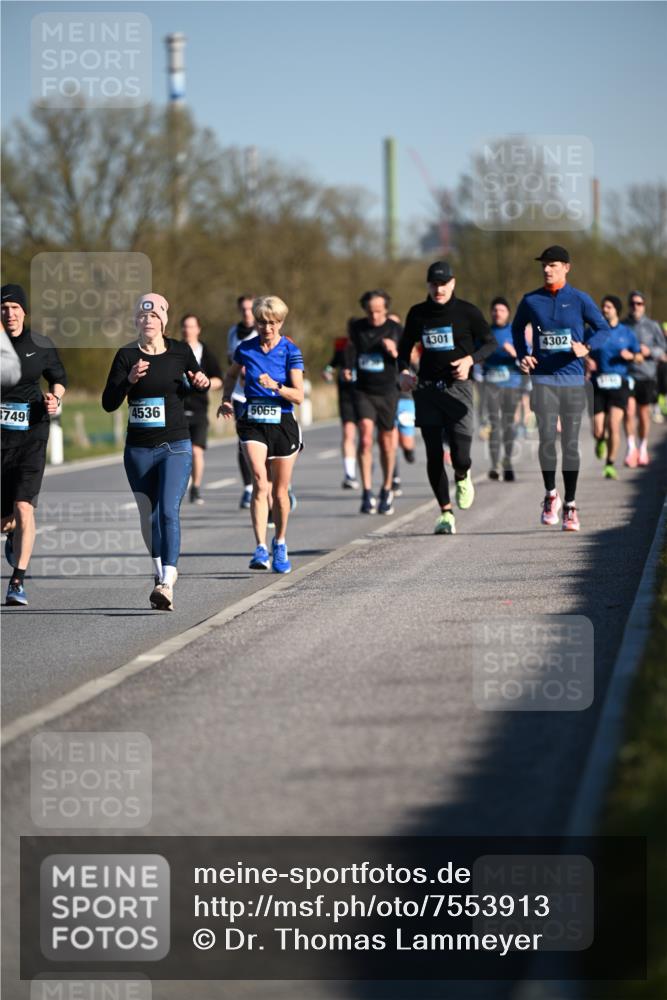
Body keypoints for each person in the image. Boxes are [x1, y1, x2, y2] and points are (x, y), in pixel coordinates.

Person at [102, 293, 210, 611]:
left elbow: (195, 382)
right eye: (142, 315)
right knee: (149, 516)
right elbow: (108, 403)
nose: (148, 320)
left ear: (163, 320)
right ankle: (158, 571)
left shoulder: (180, 351)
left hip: (175, 444)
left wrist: (201, 381)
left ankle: (167, 582)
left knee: (167, 512)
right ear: (136, 320)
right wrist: (129, 380)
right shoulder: (125, 355)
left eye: (154, 315)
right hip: (138, 449)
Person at [512, 246, 610, 532]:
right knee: (545, 439)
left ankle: (570, 505)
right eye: (543, 265)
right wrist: (523, 355)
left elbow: (603, 329)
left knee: (569, 443)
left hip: (570, 380)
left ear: (566, 267)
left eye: (553, 265)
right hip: (542, 378)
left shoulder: (579, 300)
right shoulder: (531, 300)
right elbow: (518, 329)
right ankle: (550, 494)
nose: (546, 269)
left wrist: (587, 347)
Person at [397, 261, 496, 535]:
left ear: (452, 283)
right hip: (427, 388)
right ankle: (445, 513)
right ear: (428, 285)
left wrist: (470, 360)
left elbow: (490, 343)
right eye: (433, 284)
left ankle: (463, 476)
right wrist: (403, 372)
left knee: (461, 454)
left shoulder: (467, 312)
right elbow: (403, 349)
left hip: (459, 388)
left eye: (443, 284)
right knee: (433, 454)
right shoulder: (418, 313)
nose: (439, 289)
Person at [218, 296, 304, 574]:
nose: (266, 327)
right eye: (262, 322)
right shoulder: (246, 349)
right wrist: (227, 399)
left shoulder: (291, 350)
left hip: (282, 421)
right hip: (253, 420)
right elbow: (231, 375)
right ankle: (260, 547)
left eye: (272, 322)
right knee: (259, 480)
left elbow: (299, 396)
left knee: (279, 492)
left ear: (280, 323)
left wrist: (276, 386)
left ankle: (279, 542)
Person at [1, 283, 67, 606]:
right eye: (4, 308)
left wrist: (54, 397)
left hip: (32, 434)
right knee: (7, 516)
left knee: (25, 506)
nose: (9, 314)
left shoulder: (39, 344)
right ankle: (11, 529)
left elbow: (59, 377)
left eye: (15, 308)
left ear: (24, 312)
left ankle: (17, 580)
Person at [343, 290, 402, 515]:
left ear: (386, 309)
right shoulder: (358, 328)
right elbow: (350, 350)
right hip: (364, 391)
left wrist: (394, 351)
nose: (374, 316)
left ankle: (386, 489)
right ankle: (367, 492)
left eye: (378, 311)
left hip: (388, 391)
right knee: (366, 437)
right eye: (370, 312)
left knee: (387, 442)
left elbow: (406, 357)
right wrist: (348, 368)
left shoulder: (396, 329)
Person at [589, 295, 642, 479]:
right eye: (603, 306)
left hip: (620, 384)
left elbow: (640, 356)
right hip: (598, 383)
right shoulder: (594, 331)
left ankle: (610, 464)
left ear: (616, 310)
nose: (605, 309)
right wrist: (587, 361)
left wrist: (632, 356)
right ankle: (600, 440)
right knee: (598, 430)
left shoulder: (626, 333)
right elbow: (582, 350)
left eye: (609, 306)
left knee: (614, 424)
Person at [180, 314, 223, 504]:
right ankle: (179, 484)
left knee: (196, 451)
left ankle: (195, 488)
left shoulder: (206, 352)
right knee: (180, 451)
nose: (188, 330)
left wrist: (204, 384)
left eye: (191, 327)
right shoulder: (175, 350)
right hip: (177, 408)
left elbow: (219, 379)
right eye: (185, 327)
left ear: (198, 329)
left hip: (198, 409)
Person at [622, 291, 666, 467]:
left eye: (639, 303)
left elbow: (663, 348)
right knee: (629, 411)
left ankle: (642, 448)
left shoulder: (652, 326)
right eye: (632, 303)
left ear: (644, 305)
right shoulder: (624, 325)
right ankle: (631, 447)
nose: (635, 307)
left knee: (643, 414)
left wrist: (650, 351)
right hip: (627, 374)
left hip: (647, 374)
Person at [483, 296, 522, 482]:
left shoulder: (515, 332)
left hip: (511, 385)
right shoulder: (485, 333)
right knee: (494, 425)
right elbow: (475, 356)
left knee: (508, 425)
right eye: (494, 310)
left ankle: (508, 462)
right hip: (490, 385)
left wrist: (514, 353)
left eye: (501, 310)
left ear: (508, 313)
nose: (497, 313)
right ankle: (494, 465)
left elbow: (526, 359)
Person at [227, 295, 258, 508]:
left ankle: (272, 484)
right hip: (240, 394)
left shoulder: (264, 329)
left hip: (261, 394)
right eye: (243, 309)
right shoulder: (232, 332)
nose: (247, 313)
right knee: (243, 442)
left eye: (250, 309)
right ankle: (248, 488)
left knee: (265, 442)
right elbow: (230, 359)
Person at [322, 322, 359, 489]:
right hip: (346, 396)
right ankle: (350, 474)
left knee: (366, 438)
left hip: (367, 396)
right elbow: (331, 365)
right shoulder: (342, 348)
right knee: (348, 434)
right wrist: (327, 372)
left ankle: (368, 463)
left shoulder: (369, 346)